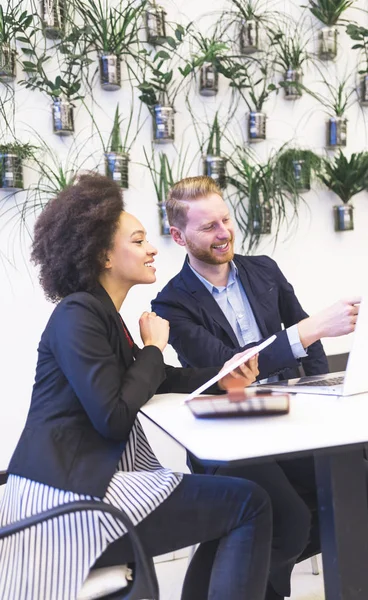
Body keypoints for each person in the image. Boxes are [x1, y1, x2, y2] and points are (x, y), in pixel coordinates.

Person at [0, 173, 274, 600]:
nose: (152, 249)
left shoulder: (102, 317)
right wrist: (152, 347)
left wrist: (226, 375)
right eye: (139, 240)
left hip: (94, 483)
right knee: (249, 503)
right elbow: (113, 417)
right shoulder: (77, 315)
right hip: (70, 500)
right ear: (104, 256)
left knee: (241, 504)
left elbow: (160, 377)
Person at [152, 175, 368, 600]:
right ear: (179, 235)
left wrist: (319, 386)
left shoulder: (263, 269)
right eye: (209, 226)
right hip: (231, 434)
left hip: (293, 421)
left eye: (225, 220)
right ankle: (245, 576)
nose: (224, 232)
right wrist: (305, 332)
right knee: (288, 521)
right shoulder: (171, 304)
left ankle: (254, 565)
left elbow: (311, 348)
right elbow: (232, 369)